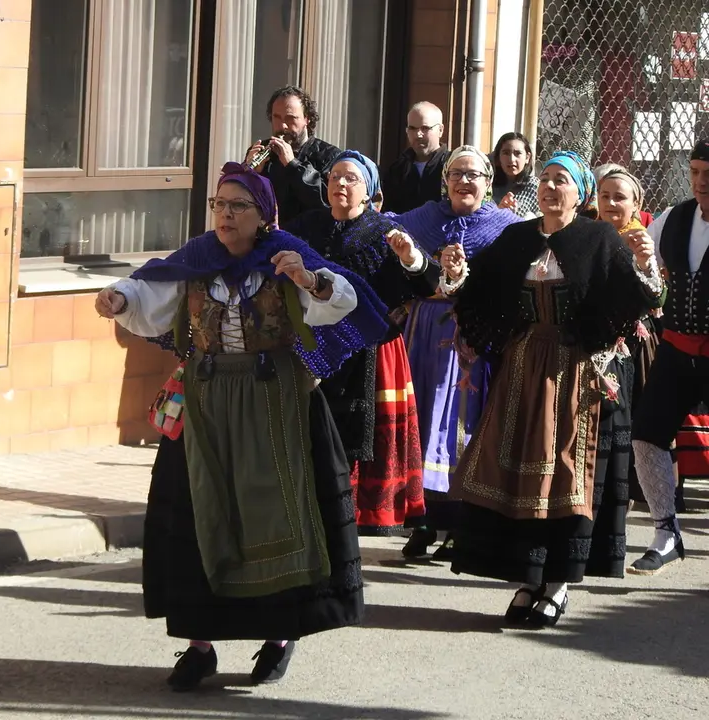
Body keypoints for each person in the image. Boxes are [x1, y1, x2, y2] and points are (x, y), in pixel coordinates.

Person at [100, 163, 389, 691]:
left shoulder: (285, 257)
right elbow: (149, 290)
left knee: (274, 512)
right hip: (206, 405)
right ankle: (199, 645)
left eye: (238, 206)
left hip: (276, 404)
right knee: (200, 514)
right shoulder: (198, 259)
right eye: (219, 205)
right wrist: (119, 299)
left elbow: (343, 299)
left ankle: (280, 633)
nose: (226, 215)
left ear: (263, 216)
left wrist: (306, 279)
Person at [440, 151, 664, 626]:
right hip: (523, 370)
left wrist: (646, 265)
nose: (549, 187)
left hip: (578, 372)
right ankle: (528, 577)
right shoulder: (517, 238)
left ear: (580, 192)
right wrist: (458, 273)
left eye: (561, 180)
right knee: (520, 476)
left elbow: (637, 297)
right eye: (544, 179)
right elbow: (480, 292)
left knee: (565, 476)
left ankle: (558, 582)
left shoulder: (598, 238)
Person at [285, 150, 440, 536]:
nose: (340, 183)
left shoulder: (385, 232)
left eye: (351, 178)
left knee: (360, 438)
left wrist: (412, 259)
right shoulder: (308, 227)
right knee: (311, 434)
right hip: (314, 347)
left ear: (369, 189)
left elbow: (428, 284)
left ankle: (356, 518)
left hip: (372, 350)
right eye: (335, 175)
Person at [386, 146, 521, 558]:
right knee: (423, 420)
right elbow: (387, 246)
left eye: (474, 174)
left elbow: (511, 282)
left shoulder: (506, 227)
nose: (465, 181)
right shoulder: (422, 218)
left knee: (463, 425)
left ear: (488, 181)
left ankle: (459, 526)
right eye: (457, 173)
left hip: (473, 340)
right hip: (424, 335)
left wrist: (469, 278)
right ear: (445, 179)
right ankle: (422, 522)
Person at [627, 141, 709, 575]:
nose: (701, 181)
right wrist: (642, 260)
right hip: (677, 349)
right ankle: (666, 532)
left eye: (708, 172)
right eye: (695, 171)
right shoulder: (675, 218)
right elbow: (646, 267)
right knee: (646, 436)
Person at [597, 166, 664, 506]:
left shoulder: (642, 239)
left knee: (633, 426)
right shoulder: (587, 233)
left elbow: (656, 297)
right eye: (604, 196)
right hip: (592, 346)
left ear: (637, 203)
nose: (610, 203)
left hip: (633, 347)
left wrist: (640, 260)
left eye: (619, 197)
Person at [244, 85, 341, 225]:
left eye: (290, 118)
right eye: (277, 117)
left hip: (309, 242)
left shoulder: (329, 156)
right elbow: (242, 202)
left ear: (307, 119)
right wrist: (250, 175)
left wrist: (293, 165)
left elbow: (326, 202)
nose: (283, 126)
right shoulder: (261, 150)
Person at [383, 102, 451, 213]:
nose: (418, 134)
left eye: (425, 128)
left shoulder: (454, 167)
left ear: (440, 130)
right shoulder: (397, 170)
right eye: (412, 128)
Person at [492, 132, 540, 219]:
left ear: (527, 157)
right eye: (506, 153)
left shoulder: (534, 186)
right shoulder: (488, 185)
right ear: (498, 157)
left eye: (517, 153)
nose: (511, 159)